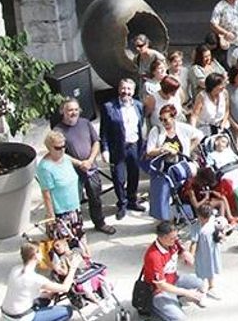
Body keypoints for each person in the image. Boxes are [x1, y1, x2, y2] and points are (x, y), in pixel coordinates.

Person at [2, 242, 81, 321]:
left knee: (46, 299)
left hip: (7, 316)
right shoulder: (36, 278)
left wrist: (46, 294)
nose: (42, 255)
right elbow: (65, 288)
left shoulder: (15, 269)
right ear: (35, 256)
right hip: (21, 320)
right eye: (40, 252)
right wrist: (73, 268)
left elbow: (23, 290)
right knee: (67, 311)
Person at [53, 98, 113, 234]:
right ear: (62, 111)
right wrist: (80, 163)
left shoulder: (85, 123)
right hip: (72, 172)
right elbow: (60, 153)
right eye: (70, 110)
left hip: (91, 168)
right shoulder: (58, 130)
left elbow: (96, 142)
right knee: (73, 201)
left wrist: (90, 160)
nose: (73, 112)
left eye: (76, 109)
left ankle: (99, 223)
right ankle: (74, 228)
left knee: (95, 197)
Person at [141, 220, 207, 321]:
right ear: (162, 238)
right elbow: (161, 285)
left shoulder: (173, 242)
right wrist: (186, 292)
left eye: (176, 236)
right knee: (179, 319)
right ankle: (156, 306)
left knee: (200, 283)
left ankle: (175, 296)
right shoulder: (153, 256)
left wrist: (186, 255)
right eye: (172, 238)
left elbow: (181, 251)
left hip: (174, 279)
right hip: (159, 290)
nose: (175, 240)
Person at [144, 105, 203, 222]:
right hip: (164, 167)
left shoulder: (182, 128)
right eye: (161, 119)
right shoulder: (156, 130)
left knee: (184, 191)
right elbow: (149, 151)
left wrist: (188, 150)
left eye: (166, 120)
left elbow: (199, 135)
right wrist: (163, 150)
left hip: (180, 165)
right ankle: (163, 220)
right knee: (163, 193)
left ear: (173, 118)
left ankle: (183, 214)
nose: (163, 122)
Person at [100, 78, 147, 219]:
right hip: (117, 147)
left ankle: (132, 200)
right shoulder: (109, 107)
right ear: (119, 89)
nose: (126, 92)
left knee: (134, 175)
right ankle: (122, 203)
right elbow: (103, 131)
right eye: (123, 88)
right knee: (119, 178)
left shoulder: (138, 105)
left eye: (129, 89)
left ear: (133, 91)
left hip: (134, 146)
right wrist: (105, 149)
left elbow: (140, 124)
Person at [36, 130, 90, 249]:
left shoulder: (64, 157)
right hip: (60, 213)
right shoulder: (45, 168)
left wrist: (83, 164)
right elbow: (46, 194)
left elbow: (74, 161)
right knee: (64, 247)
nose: (62, 150)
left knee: (79, 241)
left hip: (74, 207)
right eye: (58, 148)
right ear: (49, 147)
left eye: (64, 146)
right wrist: (51, 216)